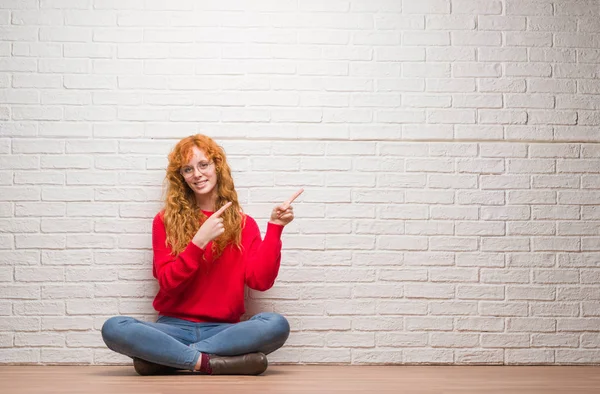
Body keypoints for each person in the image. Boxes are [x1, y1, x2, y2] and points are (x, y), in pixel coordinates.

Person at [101, 134, 302, 376]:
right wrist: (198, 242)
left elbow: (260, 282)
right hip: (172, 328)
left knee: (276, 324)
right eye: (188, 169)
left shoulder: (244, 224)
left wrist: (275, 227)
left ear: (217, 166)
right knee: (114, 327)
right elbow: (168, 284)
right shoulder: (164, 221)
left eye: (203, 165)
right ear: (182, 177)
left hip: (224, 331)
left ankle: (167, 358)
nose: (197, 174)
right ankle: (208, 363)